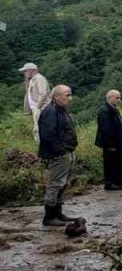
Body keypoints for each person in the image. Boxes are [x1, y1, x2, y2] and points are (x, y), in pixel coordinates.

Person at [37, 84, 84, 235]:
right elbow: (48, 136)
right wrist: (61, 151)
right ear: (56, 97)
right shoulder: (50, 112)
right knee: (55, 184)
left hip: (65, 153)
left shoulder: (59, 110)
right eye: (67, 95)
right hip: (58, 155)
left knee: (62, 184)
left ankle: (58, 214)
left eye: (70, 95)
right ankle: (50, 216)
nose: (70, 98)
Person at [95, 90, 122, 191]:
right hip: (110, 143)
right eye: (117, 98)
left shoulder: (113, 109)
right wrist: (111, 144)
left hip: (118, 140)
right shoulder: (104, 110)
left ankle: (119, 181)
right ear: (110, 98)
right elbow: (106, 129)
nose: (119, 100)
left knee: (120, 161)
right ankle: (110, 183)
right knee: (110, 163)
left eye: (119, 98)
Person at [20, 62, 50, 142]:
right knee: (38, 129)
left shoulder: (39, 78)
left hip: (42, 109)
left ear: (31, 70)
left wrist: (38, 107)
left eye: (25, 71)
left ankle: (43, 148)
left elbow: (43, 93)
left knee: (40, 129)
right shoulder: (32, 80)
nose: (24, 73)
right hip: (37, 109)